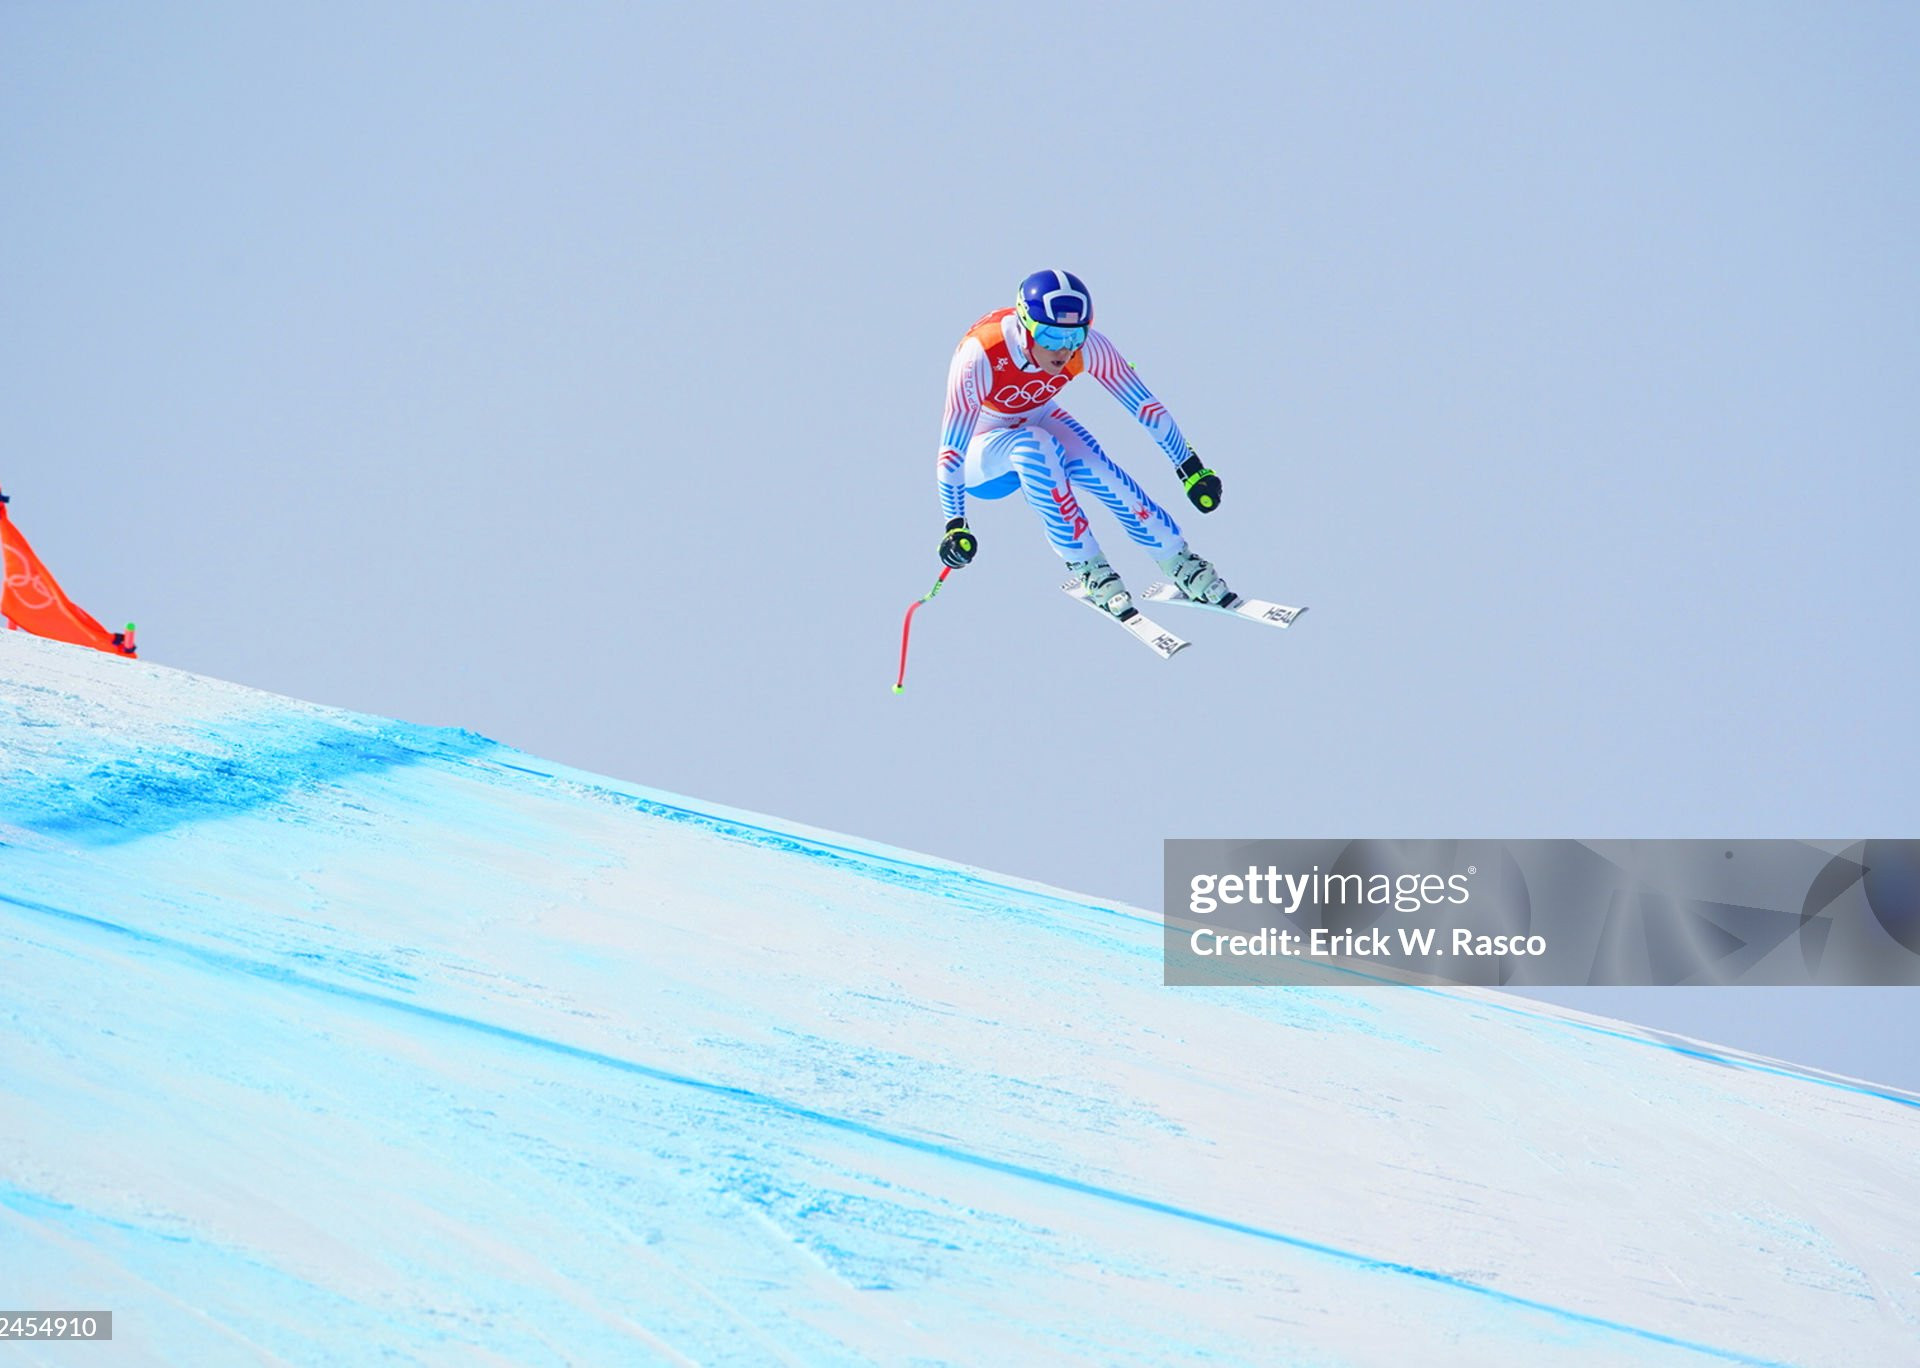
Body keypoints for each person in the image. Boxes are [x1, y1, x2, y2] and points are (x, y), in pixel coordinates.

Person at [933, 269, 1233, 619]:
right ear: (1024, 325)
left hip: (1036, 416)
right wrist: (955, 524)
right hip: (980, 452)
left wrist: (1190, 469)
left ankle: (1177, 559)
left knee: (1098, 468)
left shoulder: (1088, 348)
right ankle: (1089, 565)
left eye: (1073, 336)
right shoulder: (981, 353)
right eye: (1048, 334)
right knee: (1035, 446)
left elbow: (1145, 407)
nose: (1062, 350)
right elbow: (951, 450)